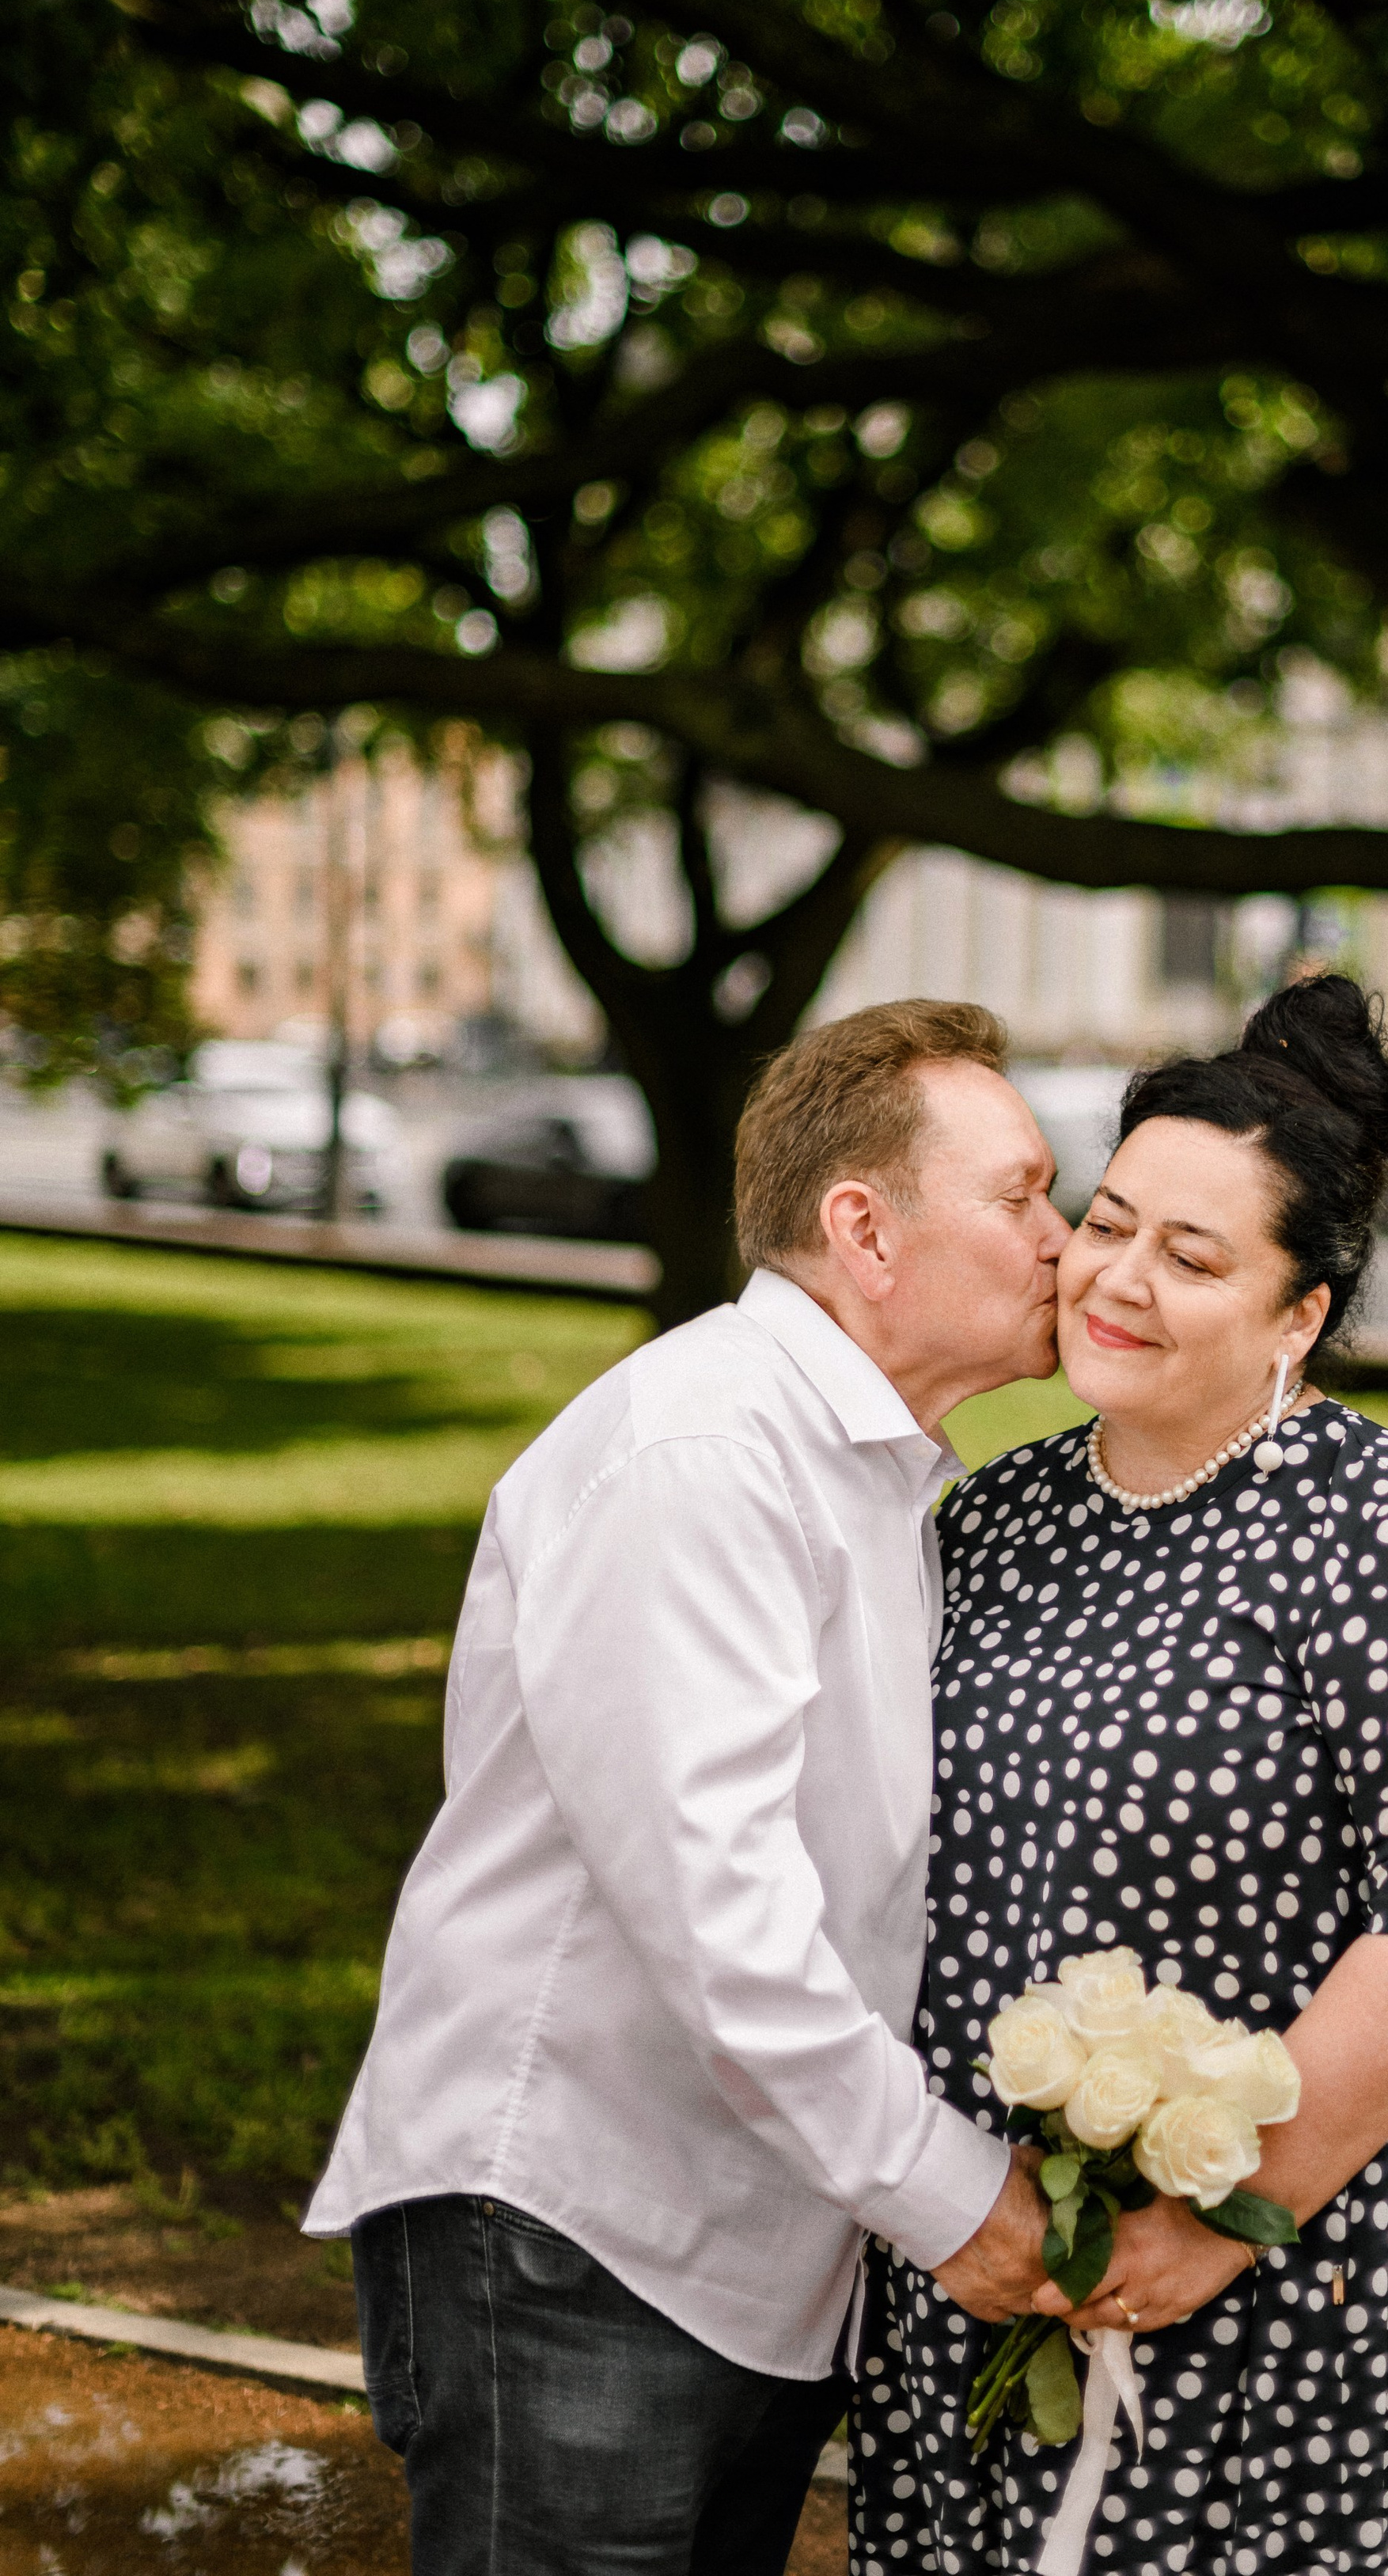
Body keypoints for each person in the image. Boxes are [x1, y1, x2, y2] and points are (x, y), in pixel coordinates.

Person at [307, 999, 1062, 2576]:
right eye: (1023, 1194)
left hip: (747, 2253)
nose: (1064, 1242)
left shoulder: (875, 1471)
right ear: (863, 1229)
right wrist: (953, 2197)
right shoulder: (703, 1451)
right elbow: (717, 1911)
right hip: (583, 2233)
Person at [852, 973, 1388, 2576]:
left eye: (1190, 1256)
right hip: (997, 2247)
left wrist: (1203, 2228)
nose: (1117, 1280)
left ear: (1297, 1312)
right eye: (1105, 1226)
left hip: (1286, 2264)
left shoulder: (1378, 1526)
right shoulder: (992, 1515)